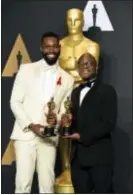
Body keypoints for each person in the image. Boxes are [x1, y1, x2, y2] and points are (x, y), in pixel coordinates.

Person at [10, 32, 74, 193]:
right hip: (25, 136)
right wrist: (32, 125)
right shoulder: (26, 69)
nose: (51, 49)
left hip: (49, 138)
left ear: (60, 48)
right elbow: (15, 102)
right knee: (23, 184)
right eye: (47, 46)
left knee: (47, 186)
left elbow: (63, 111)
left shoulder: (67, 79)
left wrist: (57, 119)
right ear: (41, 48)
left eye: (54, 46)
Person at [61, 53, 117, 193]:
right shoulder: (74, 93)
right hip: (78, 159)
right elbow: (74, 121)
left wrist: (82, 136)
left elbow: (109, 123)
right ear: (78, 69)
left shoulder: (106, 90)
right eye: (82, 64)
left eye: (89, 63)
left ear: (96, 68)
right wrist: (67, 123)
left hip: (100, 157)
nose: (85, 66)